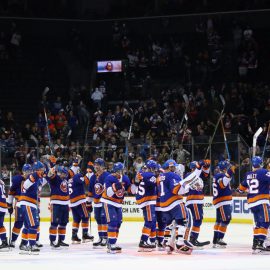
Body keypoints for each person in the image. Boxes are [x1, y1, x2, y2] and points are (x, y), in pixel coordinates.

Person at [156, 159, 204, 255]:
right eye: (174, 166)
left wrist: (187, 186)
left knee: (172, 224)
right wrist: (189, 186)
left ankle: (170, 244)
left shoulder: (160, 177)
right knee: (184, 221)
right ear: (170, 167)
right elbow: (176, 190)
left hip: (163, 205)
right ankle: (180, 244)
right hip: (175, 203)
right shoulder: (172, 175)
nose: (175, 168)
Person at [237, 156, 270, 254]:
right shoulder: (264, 172)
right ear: (261, 163)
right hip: (261, 201)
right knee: (265, 222)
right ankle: (260, 244)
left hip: (251, 203)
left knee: (258, 224)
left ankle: (255, 245)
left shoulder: (248, 174)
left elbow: (240, 189)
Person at [101, 162, 131, 254]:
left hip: (118, 204)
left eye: (121, 170)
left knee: (118, 223)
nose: (120, 172)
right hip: (108, 202)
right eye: (118, 171)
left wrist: (136, 182)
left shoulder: (125, 178)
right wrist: (117, 185)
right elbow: (109, 193)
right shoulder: (109, 178)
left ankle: (112, 242)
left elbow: (131, 189)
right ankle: (111, 244)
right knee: (113, 222)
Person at [19, 161, 45, 254]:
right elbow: (26, 185)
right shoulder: (32, 177)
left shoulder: (38, 178)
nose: (43, 171)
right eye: (41, 169)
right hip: (28, 203)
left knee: (27, 226)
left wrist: (51, 168)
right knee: (33, 225)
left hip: (30, 204)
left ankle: (23, 243)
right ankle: (32, 244)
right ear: (37, 170)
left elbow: (46, 179)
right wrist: (36, 174)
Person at [134, 159, 158, 252]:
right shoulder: (151, 175)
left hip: (144, 200)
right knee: (149, 221)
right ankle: (143, 242)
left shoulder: (143, 173)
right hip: (147, 201)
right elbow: (152, 184)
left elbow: (136, 182)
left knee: (150, 221)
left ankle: (149, 241)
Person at [7, 164, 32, 248]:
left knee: (28, 224)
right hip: (20, 204)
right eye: (26, 171)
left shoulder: (33, 179)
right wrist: (9, 205)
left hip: (29, 204)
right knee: (18, 223)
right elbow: (11, 192)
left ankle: (24, 243)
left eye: (29, 171)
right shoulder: (17, 179)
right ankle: (13, 241)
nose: (28, 173)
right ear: (23, 171)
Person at [212, 160, 235, 248]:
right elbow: (223, 184)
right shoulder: (221, 175)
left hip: (219, 200)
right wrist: (230, 172)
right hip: (222, 201)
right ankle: (219, 239)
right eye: (228, 166)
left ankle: (215, 239)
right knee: (226, 219)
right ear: (225, 168)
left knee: (219, 220)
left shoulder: (218, 175)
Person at [88, 158, 110, 248]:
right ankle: (100, 237)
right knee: (98, 220)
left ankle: (105, 237)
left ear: (102, 166)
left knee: (104, 219)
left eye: (98, 165)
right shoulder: (93, 177)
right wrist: (89, 203)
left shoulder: (107, 176)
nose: (96, 167)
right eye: (95, 165)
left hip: (104, 202)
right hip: (96, 202)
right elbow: (90, 190)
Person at [68, 165, 93, 244]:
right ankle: (85, 235)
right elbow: (86, 181)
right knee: (86, 216)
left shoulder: (69, 179)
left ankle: (74, 235)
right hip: (79, 201)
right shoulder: (77, 176)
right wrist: (89, 173)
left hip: (72, 202)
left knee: (76, 219)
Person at [47, 166, 70, 248]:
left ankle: (61, 240)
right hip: (56, 204)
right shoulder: (55, 178)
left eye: (65, 173)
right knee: (54, 223)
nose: (64, 175)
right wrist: (51, 170)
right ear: (59, 172)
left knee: (64, 223)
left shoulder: (65, 180)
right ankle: (52, 240)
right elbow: (49, 176)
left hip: (65, 204)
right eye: (63, 173)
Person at [0, 178, 8, 251]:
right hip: (3, 206)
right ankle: (4, 241)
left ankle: (4, 242)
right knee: (0, 225)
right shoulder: (1, 181)